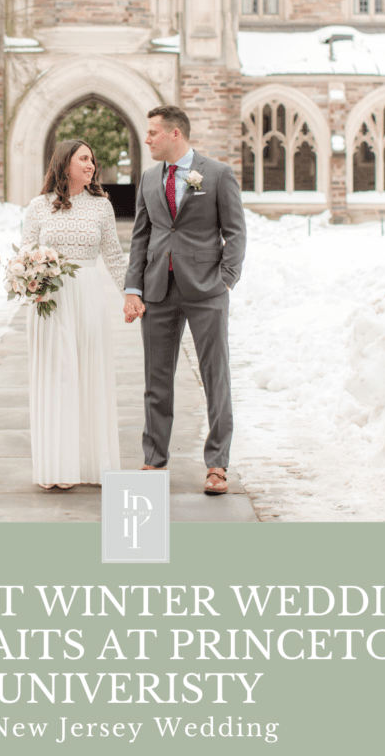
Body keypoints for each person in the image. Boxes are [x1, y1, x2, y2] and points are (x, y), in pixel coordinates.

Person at [123, 106, 247, 495]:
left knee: (216, 377)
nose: (147, 139)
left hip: (206, 290)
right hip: (159, 289)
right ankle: (154, 459)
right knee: (156, 379)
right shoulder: (148, 178)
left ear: (175, 134)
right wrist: (133, 287)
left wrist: (225, 279)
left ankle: (217, 464)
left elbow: (236, 232)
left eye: (153, 132)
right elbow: (141, 237)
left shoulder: (217, 174)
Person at [20, 139, 128, 489]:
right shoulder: (38, 207)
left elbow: (113, 256)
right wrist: (30, 278)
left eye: (92, 160)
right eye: (84, 159)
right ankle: (57, 468)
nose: (91, 165)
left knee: (89, 375)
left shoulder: (101, 207)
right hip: (50, 302)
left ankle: (90, 464)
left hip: (89, 298)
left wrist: (132, 295)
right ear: (65, 163)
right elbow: (25, 254)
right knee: (57, 378)